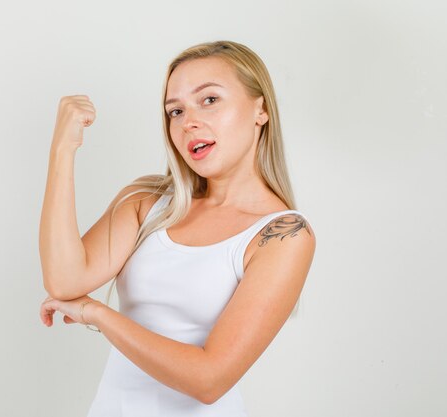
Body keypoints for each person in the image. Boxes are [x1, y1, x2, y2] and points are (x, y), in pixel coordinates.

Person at [39, 40, 316, 416]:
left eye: (210, 100)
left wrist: (98, 314)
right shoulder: (148, 201)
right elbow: (64, 280)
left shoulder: (283, 234)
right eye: (175, 110)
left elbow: (209, 379)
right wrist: (62, 149)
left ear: (260, 109)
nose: (189, 122)